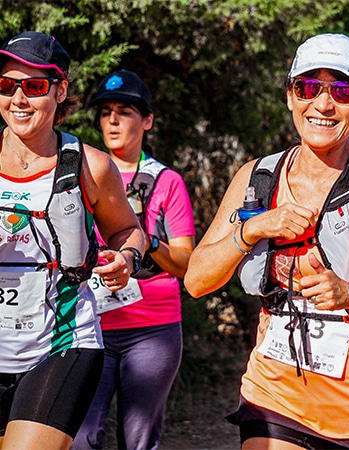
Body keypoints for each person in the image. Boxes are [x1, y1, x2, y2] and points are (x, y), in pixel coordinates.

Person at [184, 33, 349, 449]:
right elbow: (197, 280)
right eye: (309, 87)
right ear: (291, 96)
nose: (323, 104)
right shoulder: (256, 179)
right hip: (274, 394)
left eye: (342, 91)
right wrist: (251, 229)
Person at [0, 31, 145, 449]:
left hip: (61, 345)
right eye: (8, 86)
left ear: (61, 90)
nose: (19, 99)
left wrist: (127, 257)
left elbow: (127, 230)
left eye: (35, 86)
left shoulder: (89, 165)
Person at [72, 70, 195, 450]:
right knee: (79, 437)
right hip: (89, 324)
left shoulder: (167, 181)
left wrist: (141, 241)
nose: (111, 119)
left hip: (152, 330)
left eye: (124, 111)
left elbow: (187, 264)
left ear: (147, 121)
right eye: (105, 110)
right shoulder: (83, 172)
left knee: (138, 441)